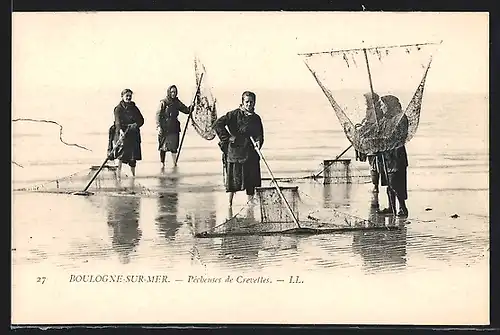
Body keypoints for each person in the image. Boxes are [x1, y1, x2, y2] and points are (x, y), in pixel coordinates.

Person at [213, 91, 264, 207]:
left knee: (251, 180)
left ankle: (250, 202)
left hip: (250, 152)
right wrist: (228, 138)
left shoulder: (256, 118)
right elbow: (217, 124)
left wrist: (258, 142)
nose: (249, 104)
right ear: (242, 102)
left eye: (251, 102)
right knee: (233, 182)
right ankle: (229, 203)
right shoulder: (234, 114)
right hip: (235, 153)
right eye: (247, 102)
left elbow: (259, 134)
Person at [377, 95, 409, 217]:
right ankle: (391, 207)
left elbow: (400, 136)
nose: (381, 108)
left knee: (396, 183)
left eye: (383, 105)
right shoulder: (384, 120)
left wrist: (386, 139)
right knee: (388, 184)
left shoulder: (400, 118)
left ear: (390, 106)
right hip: (387, 156)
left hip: (396, 156)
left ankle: (402, 208)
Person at [108, 88, 144, 178]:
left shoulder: (134, 108)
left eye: (130, 96)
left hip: (133, 135)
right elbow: (117, 122)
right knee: (120, 156)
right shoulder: (118, 109)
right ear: (122, 96)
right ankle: (118, 176)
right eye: (126, 96)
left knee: (132, 158)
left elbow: (141, 120)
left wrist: (135, 124)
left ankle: (133, 176)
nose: (128, 97)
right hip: (121, 135)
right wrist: (120, 131)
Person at [156, 85, 192, 168]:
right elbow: (158, 115)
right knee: (163, 146)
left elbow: (186, 110)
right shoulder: (163, 102)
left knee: (174, 146)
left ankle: (174, 163)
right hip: (165, 127)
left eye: (175, 92)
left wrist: (191, 107)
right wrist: (158, 126)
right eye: (172, 92)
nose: (173, 94)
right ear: (169, 92)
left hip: (174, 126)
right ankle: (162, 163)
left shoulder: (177, 102)